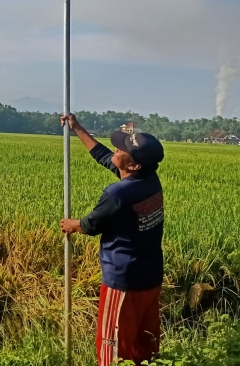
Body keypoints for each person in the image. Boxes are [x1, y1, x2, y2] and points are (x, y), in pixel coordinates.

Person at [60, 114, 165, 366]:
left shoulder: (118, 192)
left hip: (123, 280)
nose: (117, 147)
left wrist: (73, 225)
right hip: (150, 276)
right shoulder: (149, 181)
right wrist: (77, 129)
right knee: (145, 343)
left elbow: (92, 224)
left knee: (113, 345)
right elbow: (105, 157)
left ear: (135, 165)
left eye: (124, 148)